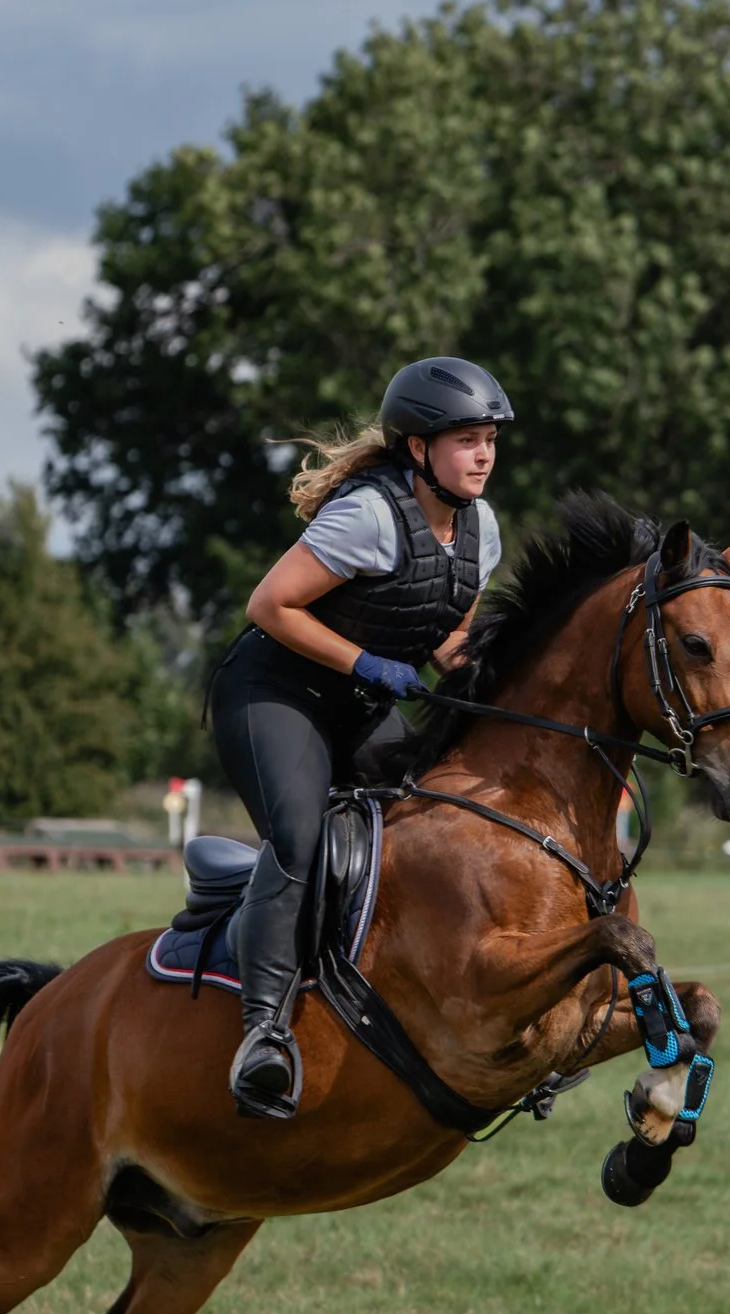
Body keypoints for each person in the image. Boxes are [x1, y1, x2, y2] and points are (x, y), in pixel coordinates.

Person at [208, 356, 512, 1119]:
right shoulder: (370, 516)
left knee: (434, 821)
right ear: (418, 448)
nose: (484, 455)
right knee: (301, 839)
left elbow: (448, 638)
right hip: (273, 692)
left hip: (360, 699)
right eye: (467, 440)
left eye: (490, 440)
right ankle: (263, 1033)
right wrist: (370, 661)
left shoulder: (483, 528)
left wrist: (480, 681)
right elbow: (270, 604)